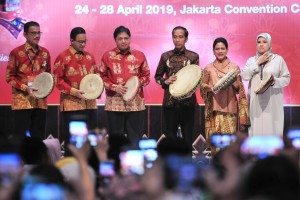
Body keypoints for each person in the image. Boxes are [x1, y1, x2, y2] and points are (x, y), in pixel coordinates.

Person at [99, 25, 150, 146]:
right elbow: (101, 77)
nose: (123, 41)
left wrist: (136, 84)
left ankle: (134, 164)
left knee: (135, 140)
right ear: (115, 40)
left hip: (135, 105)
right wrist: (114, 87)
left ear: (130, 39)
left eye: (126, 38)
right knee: (116, 141)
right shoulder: (107, 56)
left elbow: (147, 77)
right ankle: (117, 164)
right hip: (114, 104)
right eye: (120, 38)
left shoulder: (139, 55)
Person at [200, 37, 249, 155]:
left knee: (228, 142)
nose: (220, 51)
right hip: (214, 110)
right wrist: (209, 88)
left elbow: (239, 90)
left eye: (222, 48)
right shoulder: (208, 68)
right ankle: (217, 167)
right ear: (213, 51)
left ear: (227, 50)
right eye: (217, 49)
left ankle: (228, 166)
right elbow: (202, 86)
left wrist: (235, 81)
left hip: (229, 109)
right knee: (215, 143)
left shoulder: (234, 68)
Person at [53, 27, 99, 149]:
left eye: (85, 41)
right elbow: (57, 80)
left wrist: (98, 91)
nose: (83, 44)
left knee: (90, 137)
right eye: (80, 42)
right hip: (71, 104)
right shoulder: (62, 57)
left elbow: (96, 77)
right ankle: (71, 164)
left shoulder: (90, 57)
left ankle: (90, 164)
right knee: (72, 138)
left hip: (90, 104)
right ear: (72, 40)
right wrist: (74, 92)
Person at [154, 26, 199, 151]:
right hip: (170, 103)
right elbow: (157, 76)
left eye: (180, 37)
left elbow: (196, 78)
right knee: (170, 140)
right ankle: (170, 168)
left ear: (186, 39)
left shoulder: (193, 57)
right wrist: (165, 81)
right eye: (175, 37)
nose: (177, 40)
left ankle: (187, 168)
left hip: (188, 104)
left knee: (188, 140)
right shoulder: (165, 56)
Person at [5, 21, 51, 141]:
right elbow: (9, 77)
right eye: (33, 33)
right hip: (22, 101)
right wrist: (25, 88)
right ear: (25, 35)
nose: (37, 36)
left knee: (38, 137)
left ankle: (36, 160)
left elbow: (49, 75)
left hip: (40, 101)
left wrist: (47, 88)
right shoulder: (16, 53)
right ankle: (19, 160)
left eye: (38, 33)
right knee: (19, 137)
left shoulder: (45, 53)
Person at [240, 33, 290, 136]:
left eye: (264, 42)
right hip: (256, 102)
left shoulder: (278, 60)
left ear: (269, 44)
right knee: (256, 129)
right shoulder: (251, 61)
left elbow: (287, 78)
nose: (261, 44)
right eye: (258, 42)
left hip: (272, 101)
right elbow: (244, 76)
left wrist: (275, 81)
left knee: (273, 129)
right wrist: (257, 63)